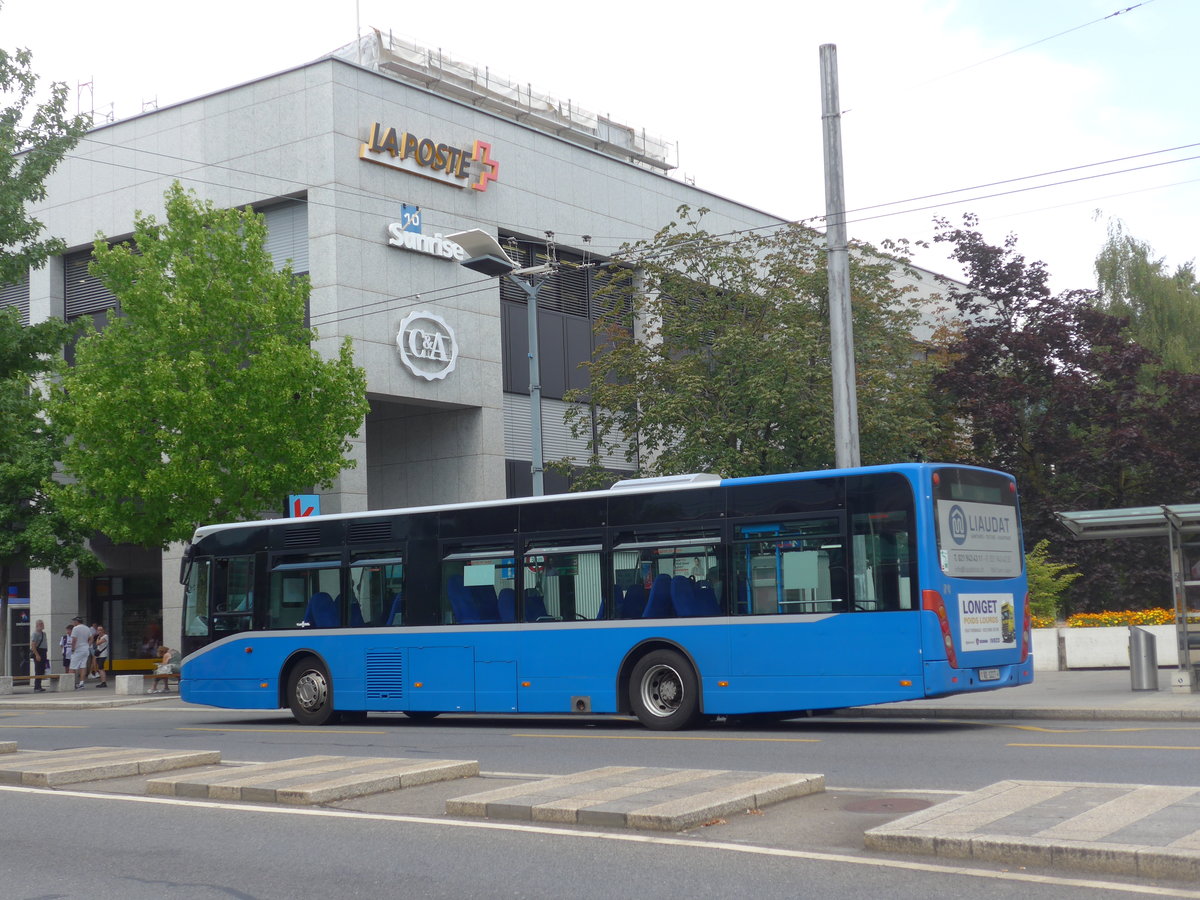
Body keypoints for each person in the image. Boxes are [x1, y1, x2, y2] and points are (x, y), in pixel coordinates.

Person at [69, 616, 91, 690]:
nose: (73, 623)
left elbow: (74, 640)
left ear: (76, 622)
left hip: (78, 650)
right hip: (85, 649)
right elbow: (91, 638)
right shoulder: (87, 628)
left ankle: (70, 683)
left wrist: (72, 649)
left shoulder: (75, 628)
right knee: (83, 666)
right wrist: (88, 645)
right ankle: (81, 683)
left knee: (72, 667)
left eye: (74, 621)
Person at [29, 619, 49, 692]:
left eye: (42, 624)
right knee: (38, 669)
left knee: (42, 669)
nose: (42, 625)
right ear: (37, 625)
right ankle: (36, 686)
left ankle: (39, 685)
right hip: (38, 652)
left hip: (43, 651)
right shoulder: (35, 634)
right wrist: (37, 655)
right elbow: (33, 645)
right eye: (40, 624)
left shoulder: (44, 634)